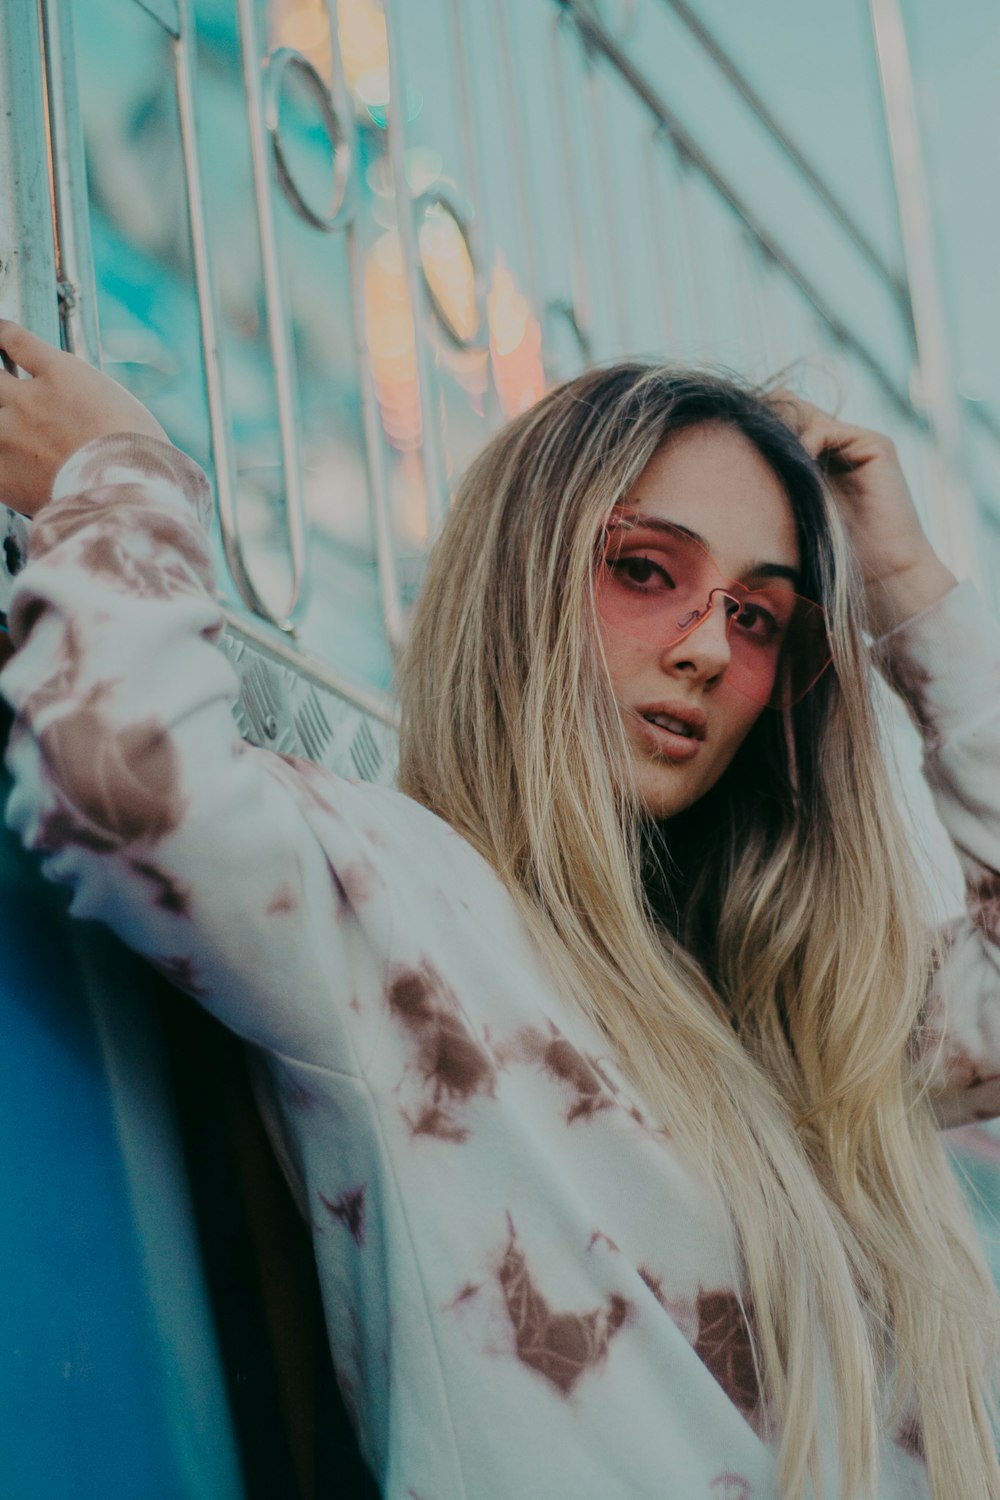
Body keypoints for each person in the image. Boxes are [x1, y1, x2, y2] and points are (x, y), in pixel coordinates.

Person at [0, 318, 998, 1500]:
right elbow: (128, 782)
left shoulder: (787, 1024)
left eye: (758, 617)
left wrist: (904, 592)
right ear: (521, 581)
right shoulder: (394, 897)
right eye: (643, 570)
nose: (702, 651)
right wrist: (115, 469)